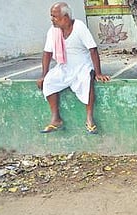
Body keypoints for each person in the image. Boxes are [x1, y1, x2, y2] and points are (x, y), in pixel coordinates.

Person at [36, 2, 110, 134]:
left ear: (65, 17)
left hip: (83, 65)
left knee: (86, 81)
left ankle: (89, 119)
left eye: (54, 16)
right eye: (51, 16)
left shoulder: (79, 27)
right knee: (49, 81)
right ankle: (55, 118)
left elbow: (92, 49)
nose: (51, 19)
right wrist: (43, 74)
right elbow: (47, 53)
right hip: (64, 66)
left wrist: (98, 73)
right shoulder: (53, 31)